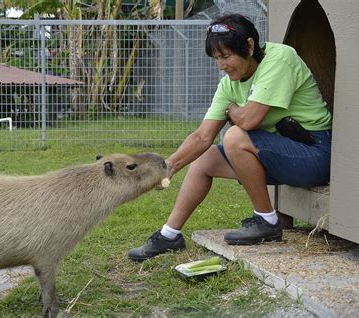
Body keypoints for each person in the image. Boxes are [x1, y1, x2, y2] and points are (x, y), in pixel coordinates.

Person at [128, 13, 332, 261]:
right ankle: (169, 236)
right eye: (216, 58)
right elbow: (202, 136)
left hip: (315, 152)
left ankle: (267, 221)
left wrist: (231, 111)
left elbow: (248, 121)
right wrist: (168, 168)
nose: (221, 65)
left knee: (235, 136)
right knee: (205, 160)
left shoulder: (280, 59)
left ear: (249, 45)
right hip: (280, 155)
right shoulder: (229, 85)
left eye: (226, 56)